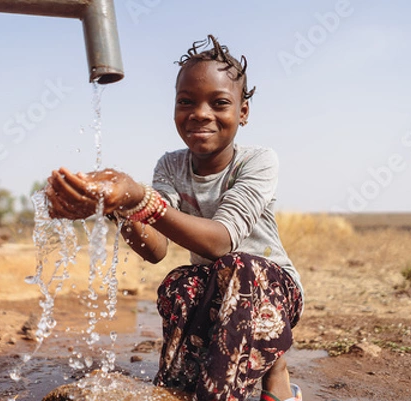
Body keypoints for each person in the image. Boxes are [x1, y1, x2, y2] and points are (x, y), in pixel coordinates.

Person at [46, 34, 304, 401]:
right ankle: (187, 387)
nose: (200, 113)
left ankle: (266, 378)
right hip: (217, 290)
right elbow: (155, 249)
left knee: (241, 266)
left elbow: (219, 241)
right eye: (186, 101)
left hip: (273, 292)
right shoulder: (170, 165)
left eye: (219, 103)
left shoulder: (257, 161)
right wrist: (115, 208)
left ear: (242, 112)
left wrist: (140, 196)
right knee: (180, 282)